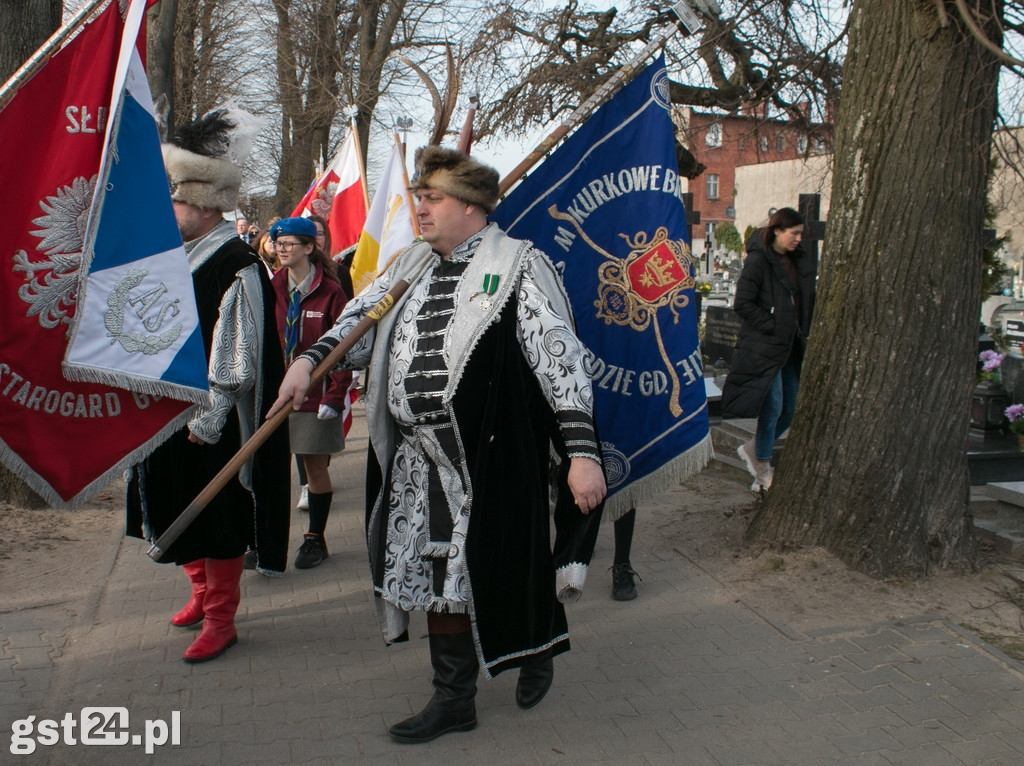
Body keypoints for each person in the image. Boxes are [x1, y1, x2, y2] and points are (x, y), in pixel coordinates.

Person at [269, 146, 607, 743]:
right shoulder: (409, 264)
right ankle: (455, 698)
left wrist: (581, 454)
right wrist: (310, 363)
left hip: (491, 454)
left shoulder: (521, 265)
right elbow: (357, 320)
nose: (418, 209)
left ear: (472, 208)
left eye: (432, 199)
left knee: (506, 565)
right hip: (416, 458)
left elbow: (563, 363)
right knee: (437, 572)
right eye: (418, 198)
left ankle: (536, 646)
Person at [126, 108, 291, 663]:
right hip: (163, 411)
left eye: (174, 200)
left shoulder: (237, 261)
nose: (167, 210)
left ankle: (222, 618)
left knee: (216, 516)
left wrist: (211, 414)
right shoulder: (174, 253)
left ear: (199, 202)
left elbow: (236, 348)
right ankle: (198, 595)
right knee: (172, 504)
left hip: (207, 421)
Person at [269, 217, 351, 568]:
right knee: (269, 469)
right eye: (278, 242)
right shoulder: (269, 287)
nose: (282, 248)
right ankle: (263, 540)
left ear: (308, 247)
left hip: (314, 396)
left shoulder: (330, 292)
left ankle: (315, 538)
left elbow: (345, 347)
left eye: (290, 242)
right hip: (274, 394)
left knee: (313, 467)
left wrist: (335, 397)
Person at [721, 206, 816, 492]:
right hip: (764, 345)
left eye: (801, 234)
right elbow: (743, 305)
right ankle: (762, 467)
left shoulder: (799, 261)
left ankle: (753, 447)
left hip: (790, 344)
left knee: (791, 406)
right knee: (772, 404)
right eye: (794, 233)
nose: (799, 239)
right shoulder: (759, 262)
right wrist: (774, 324)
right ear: (777, 231)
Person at [309, 213, 354, 300]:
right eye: (311, 234)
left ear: (326, 238)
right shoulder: (292, 274)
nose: (315, 238)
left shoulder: (342, 273)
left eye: (319, 234)